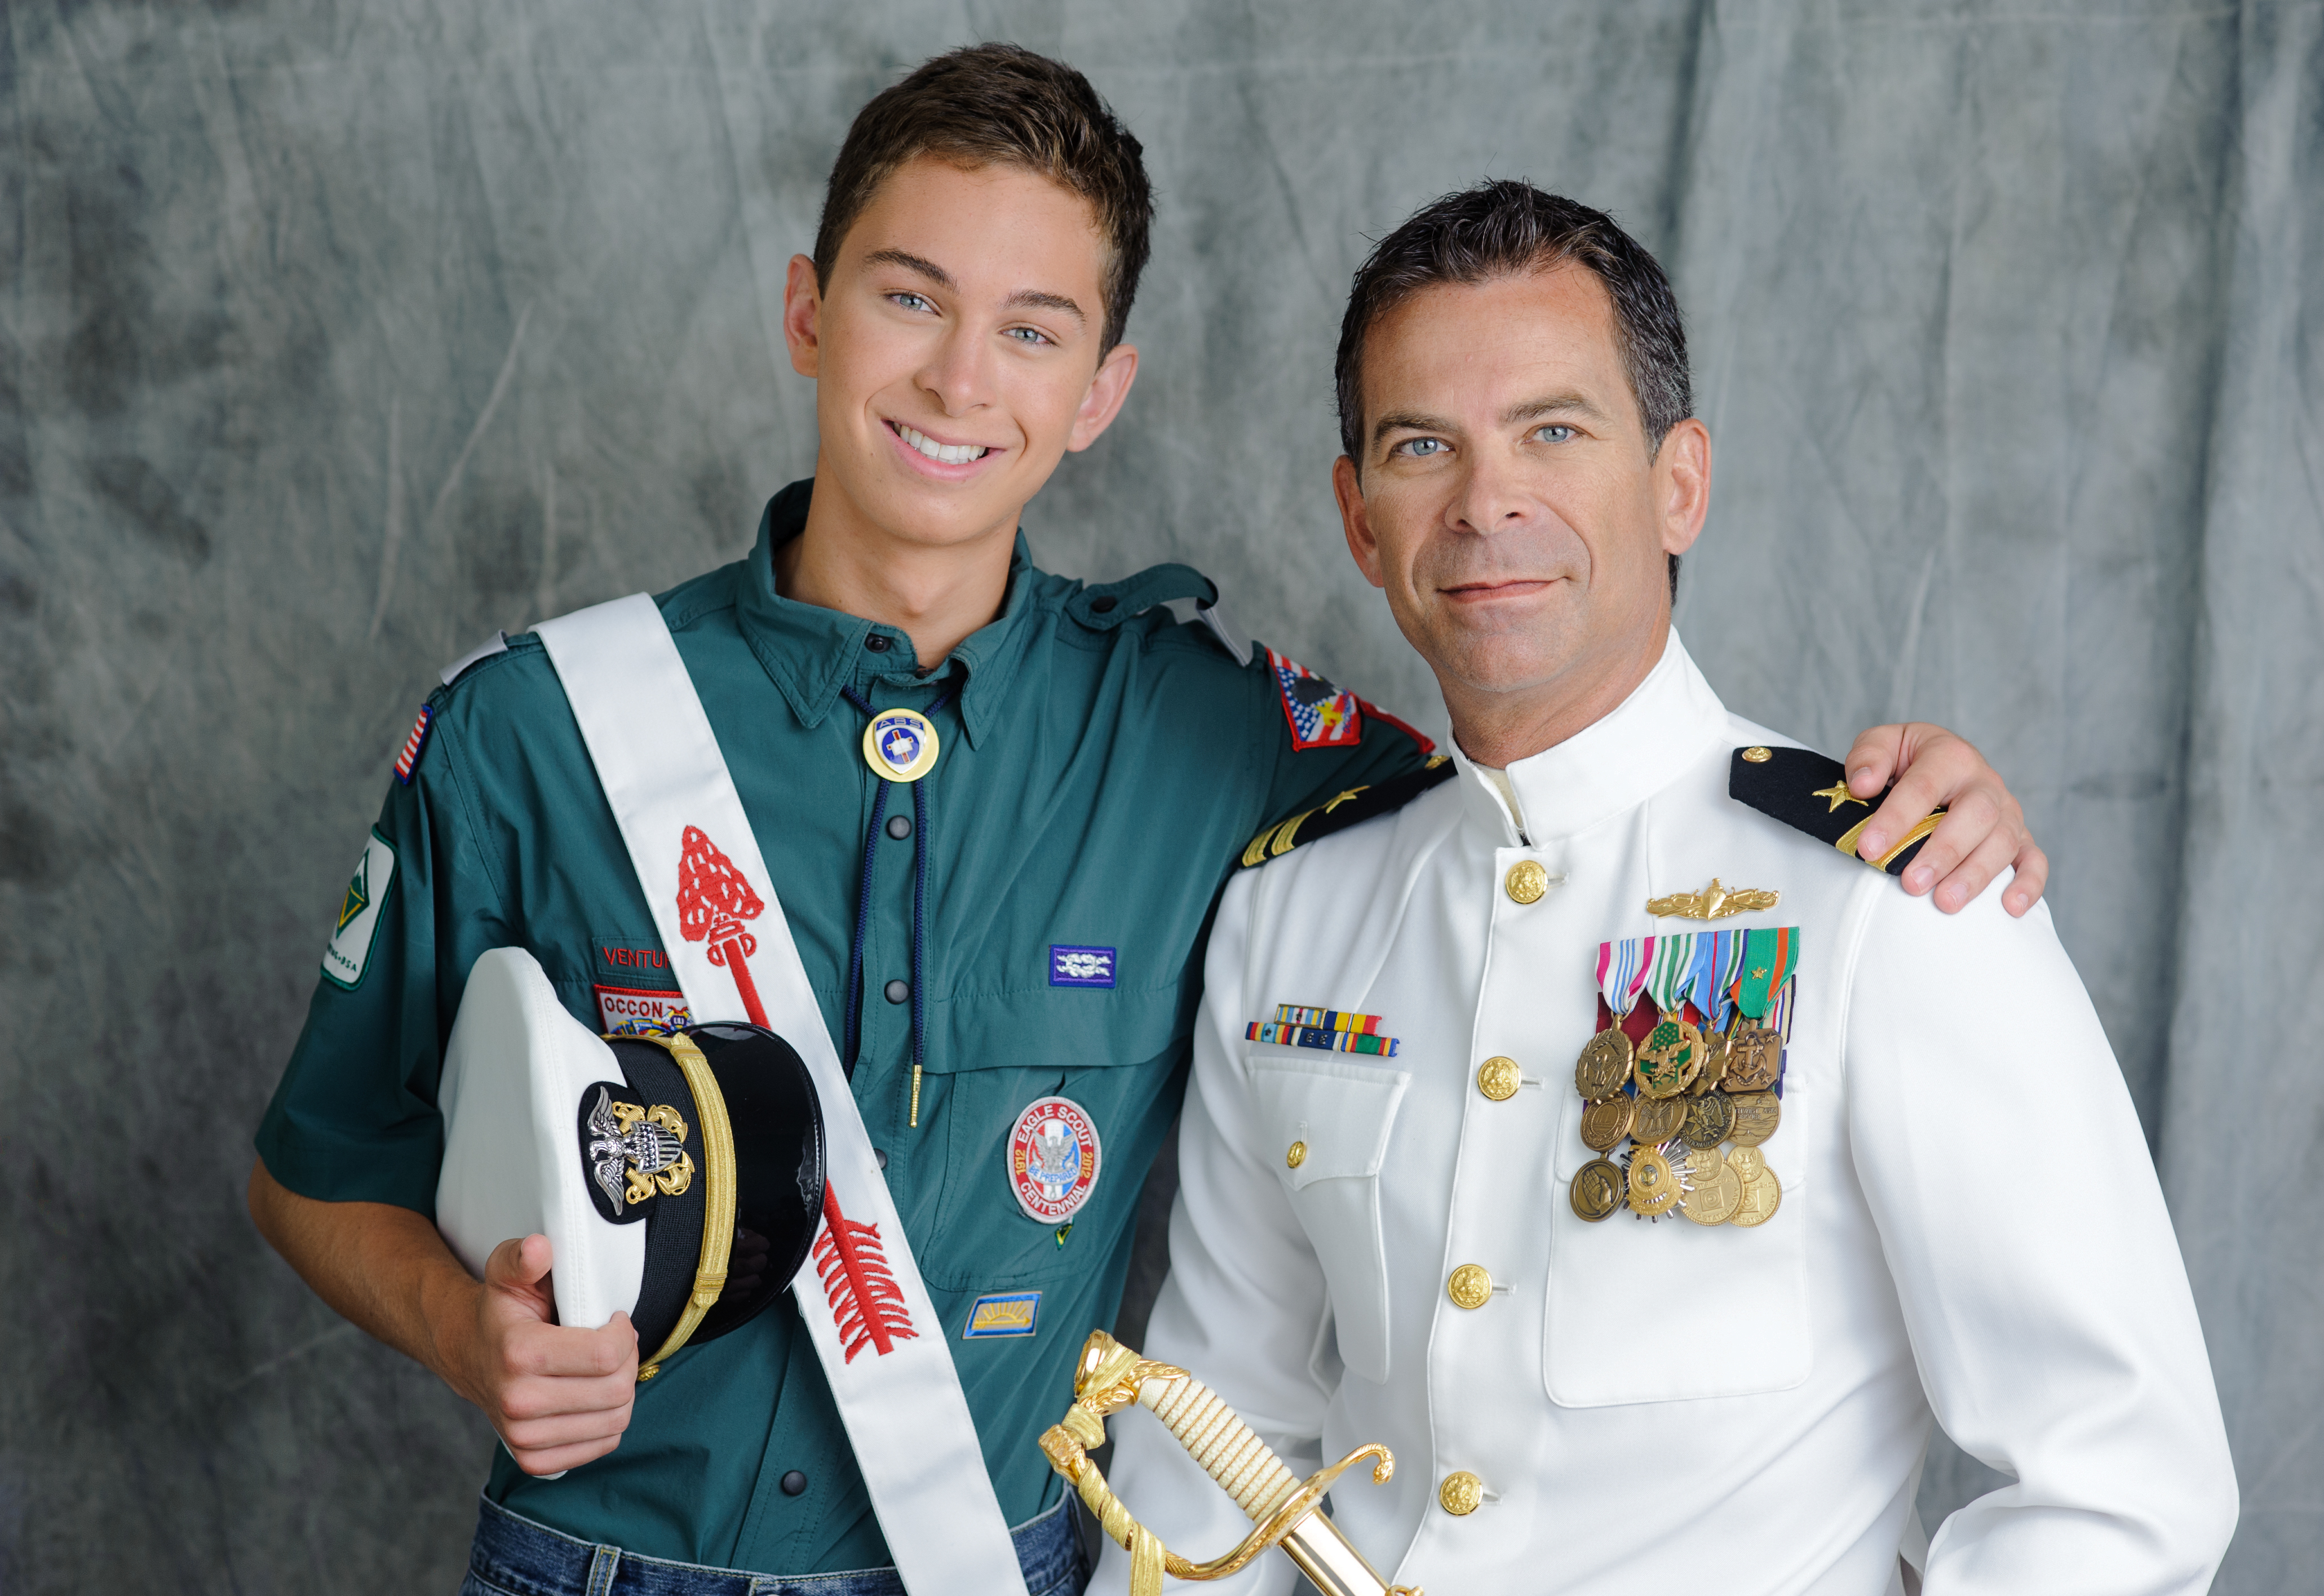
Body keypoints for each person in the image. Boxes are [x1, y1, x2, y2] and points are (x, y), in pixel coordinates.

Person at [247, 47, 2047, 1596]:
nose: (963, 380)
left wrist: (1876, 808)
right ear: (809, 308)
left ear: (1100, 391)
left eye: (1034, 330)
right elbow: (314, 1168)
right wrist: (461, 1337)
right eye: (908, 296)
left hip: (1014, 1559)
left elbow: (1552, 790)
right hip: (606, 1563)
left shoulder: (1215, 729)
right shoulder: (535, 729)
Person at [1094, 181, 2238, 1596]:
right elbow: (1221, 1429)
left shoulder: (1884, 888)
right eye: (1420, 445)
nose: (1485, 501)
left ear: (1678, 482)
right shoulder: (1292, 916)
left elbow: (2126, 1484)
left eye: (1553, 432)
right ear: (1358, 516)